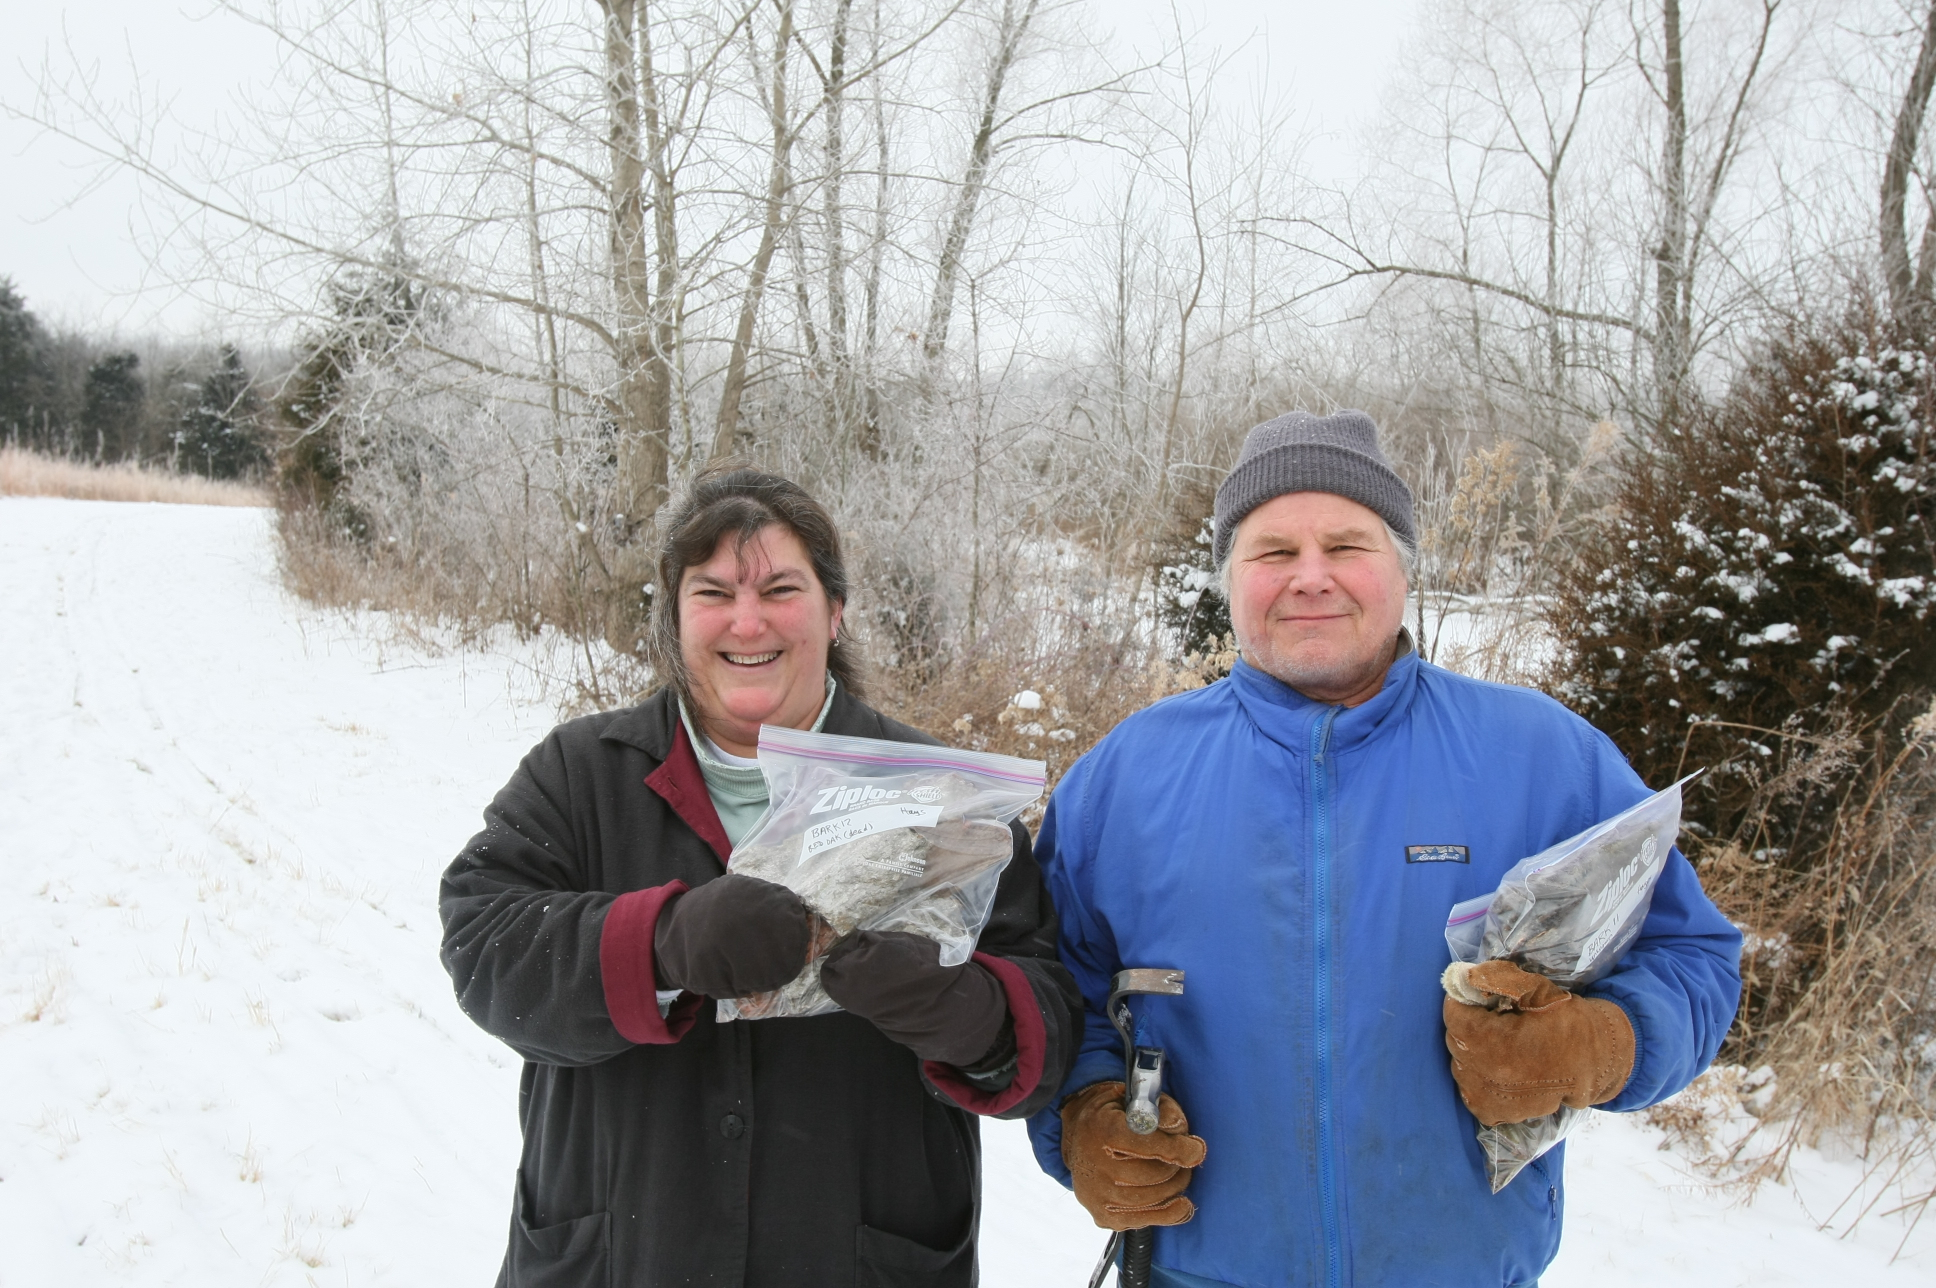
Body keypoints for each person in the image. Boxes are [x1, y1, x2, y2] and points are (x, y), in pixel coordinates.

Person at [1025, 411, 1742, 1287]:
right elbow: (1052, 988)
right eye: (1273, 551)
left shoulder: (1542, 757)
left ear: (1403, 566)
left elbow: (1693, 955)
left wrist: (1604, 1044)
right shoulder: (1126, 777)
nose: (1311, 577)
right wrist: (1083, 1113)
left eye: (1346, 546)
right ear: (1230, 579)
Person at [440, 467, 1082, 1287]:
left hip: (860, 1260)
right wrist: (660, 946)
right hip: (619, 1257)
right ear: (675, 616)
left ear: (834, 609)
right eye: (713, 593)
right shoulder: (579, 774)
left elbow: (1048, 1018)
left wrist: (970, 1012)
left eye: (781, 589)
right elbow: (485, 949)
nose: (748, 622)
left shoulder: (940, 794)